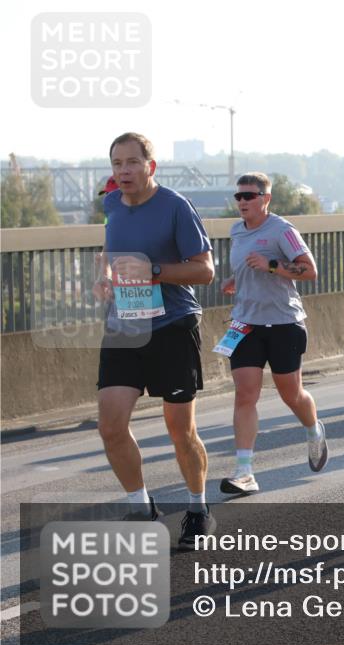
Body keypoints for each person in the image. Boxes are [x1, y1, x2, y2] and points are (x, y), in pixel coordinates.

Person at [91, 132, 216, 549]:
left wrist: (154, 272)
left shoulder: (176, 207)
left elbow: (204, 271)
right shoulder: (111, 204)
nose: (123, 171)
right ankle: (142, 508)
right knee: (110, 425)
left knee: (180, 429)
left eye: (131, 162)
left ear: (150, 167)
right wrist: (104, 277)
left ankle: (198, 510)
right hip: (125, 325)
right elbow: (111, 250)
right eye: (116, 164)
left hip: (172, 326)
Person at [217, 172, 327, 496]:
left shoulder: (283, 231)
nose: (242, 202)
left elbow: (310, 271)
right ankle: (244, 472)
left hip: (283, 322)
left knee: (290, 394)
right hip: (245, 322)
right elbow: (246, 267)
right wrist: (233, 280)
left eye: (249, 196)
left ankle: (313, 429)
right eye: (238, 196)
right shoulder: (236, 231)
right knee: (245, 394)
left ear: (265, 199)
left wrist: (272, 266)